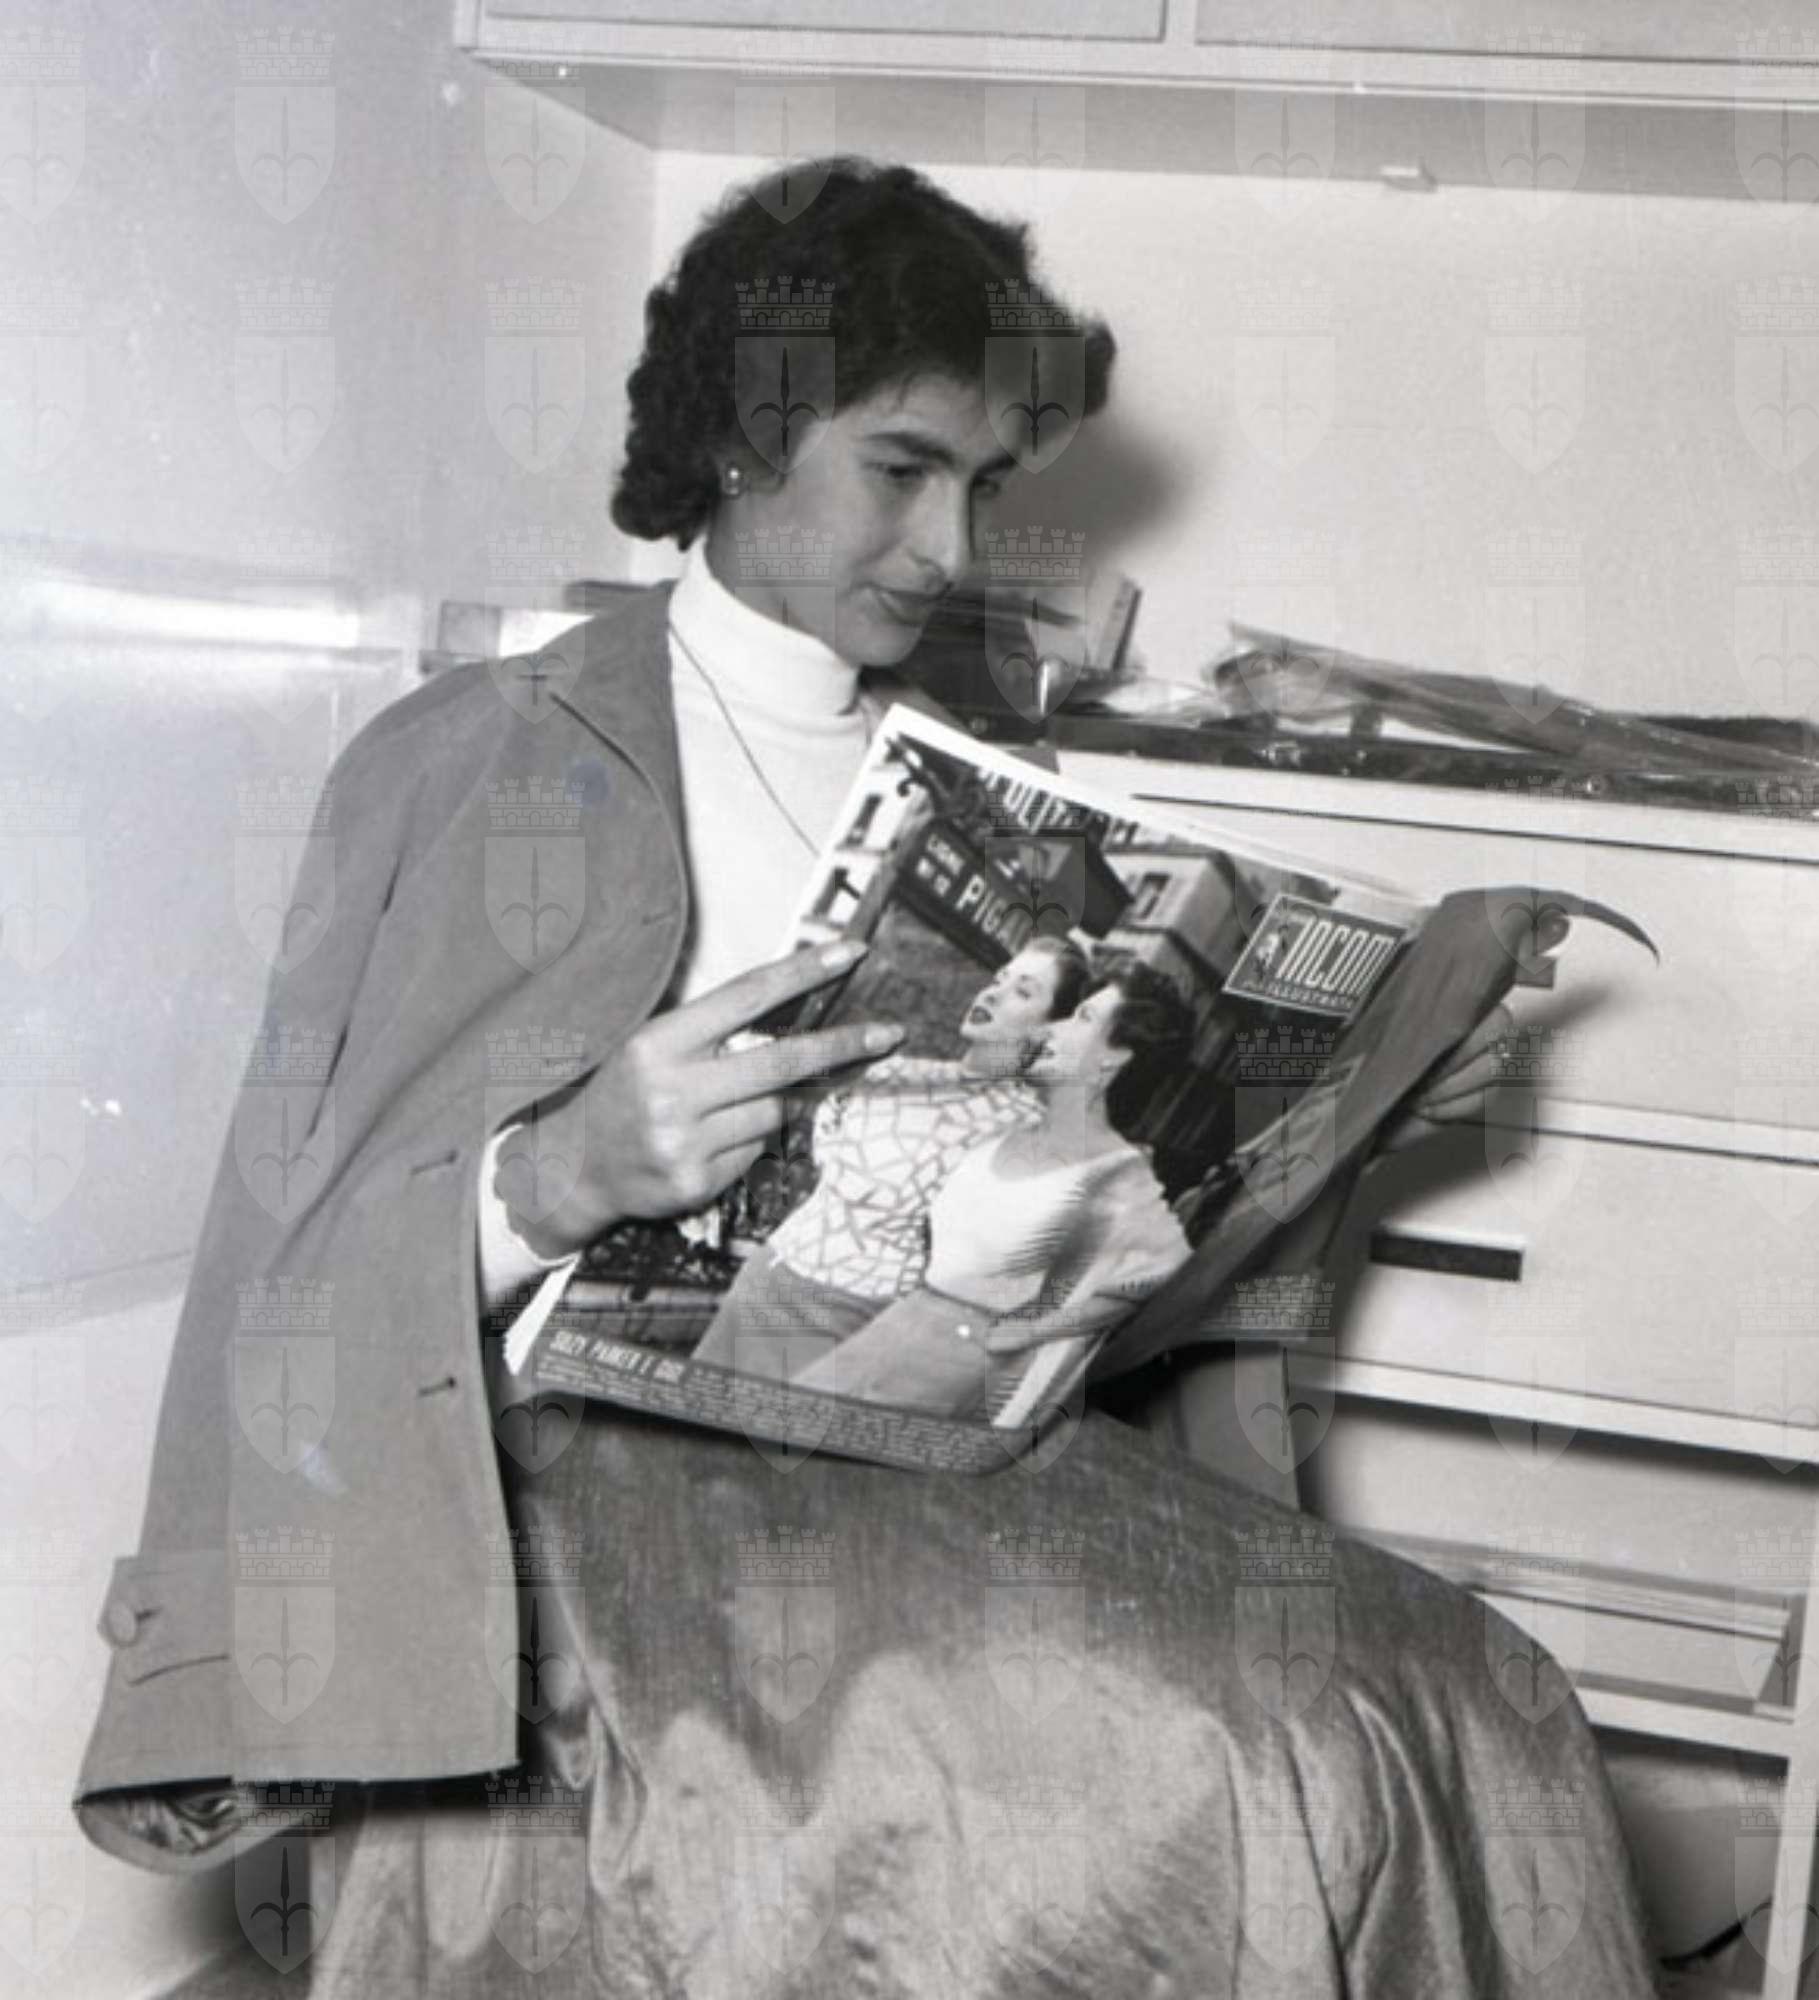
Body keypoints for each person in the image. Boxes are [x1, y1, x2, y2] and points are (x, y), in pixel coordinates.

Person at [74, 158, 1651, 1997]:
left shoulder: (984, 786)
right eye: (900, 469)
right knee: (1234, 1754)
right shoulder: (476, 758)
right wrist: (549, 1180)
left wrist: (1346, 1105)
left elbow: (1106, 1285)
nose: (951, 548)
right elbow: (287, 1286)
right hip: (597, 1490)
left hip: (944, 1440)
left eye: (983, 486)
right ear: (739, 441)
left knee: (1475, 1690)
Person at [795, 961, 1194, 1419]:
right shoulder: (1012, 1130)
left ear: (1116, 1056)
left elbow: (1166, 1270)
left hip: (953, 1369)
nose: (1053, 1029)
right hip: (889, 1329)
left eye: (1082, 1018)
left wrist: (1031, 1332)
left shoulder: (1119, 1173)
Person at [691, 933, 1090, 1381]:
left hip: (844, 1313)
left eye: (1023, 991)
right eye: (1000, 978)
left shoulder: (1024, 1128)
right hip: (770, 1270)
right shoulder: (899, 1071)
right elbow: (826, 1157)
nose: (994, 992)